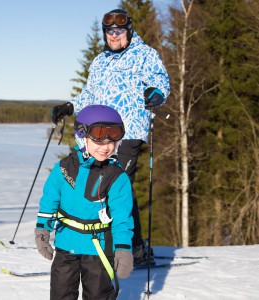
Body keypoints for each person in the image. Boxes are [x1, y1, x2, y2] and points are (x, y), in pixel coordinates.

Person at [51, 8, 170, 266]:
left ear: (128, 31)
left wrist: (157, 94)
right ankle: (118, 243)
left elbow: (162, 82)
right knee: (97, 185)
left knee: (118, 185)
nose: (114, 36)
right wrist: (70, 107)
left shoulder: (145, 55)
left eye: (119, 31)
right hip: (98, 134)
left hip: (129, 131)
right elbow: (88, 95)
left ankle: (129, 248)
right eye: (110, 32)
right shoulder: (99, 62)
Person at [35, 105, 134, 300]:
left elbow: (122, 217)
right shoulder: (64, 168)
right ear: (82, 136)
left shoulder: (117, 177)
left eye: (112, 139)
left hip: (99, 249)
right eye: (99, 139)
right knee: (61, 294)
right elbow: (49, 201)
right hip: (66, 245)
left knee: (98, 295)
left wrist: (123, 248)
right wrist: (42, 230)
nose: (106, 147)